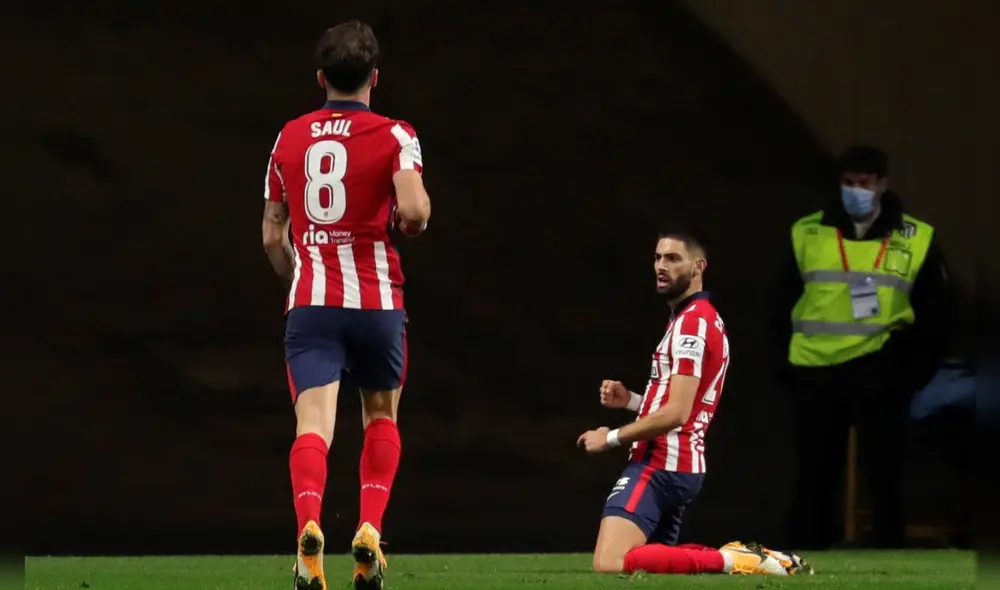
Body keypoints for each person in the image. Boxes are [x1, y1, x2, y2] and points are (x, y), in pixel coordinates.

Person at [260, 20, 431, 590]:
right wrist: (404, 222)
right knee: (380, 416)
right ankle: (369, 531)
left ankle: (309, 528)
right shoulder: (396, 134)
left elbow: (269, 236)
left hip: (311, 303)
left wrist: (298, 275)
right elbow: (414, 212)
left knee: (314, 425)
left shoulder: (288, 137)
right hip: (377, 300)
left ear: (320, 77)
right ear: (374, 78)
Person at [577, 231, 809, 576]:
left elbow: (677, 412)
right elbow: (684, 403)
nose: (661, 266)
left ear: (698, 266)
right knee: (651, 561)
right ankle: (751, 556)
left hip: (661, 463)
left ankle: (737, 561)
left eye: (673, 259)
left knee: (610, 562)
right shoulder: (693, 317)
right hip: (678, 462)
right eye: (657, 258)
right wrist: (632, 401)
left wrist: (609, 437)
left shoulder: (693, 324)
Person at [770, 145, 954, 549]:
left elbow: (938, 316)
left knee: (885, 475)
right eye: (849, 183)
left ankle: (887, 558)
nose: (857, 191)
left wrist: (908, 375)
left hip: (880, 371)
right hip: (814, 371)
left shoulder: (915, 238)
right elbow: (779, 303)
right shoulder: (808, 232)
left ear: (882, 185)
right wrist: (785, 366)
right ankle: (806, 556)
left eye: (865, 184)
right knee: (814, 476)